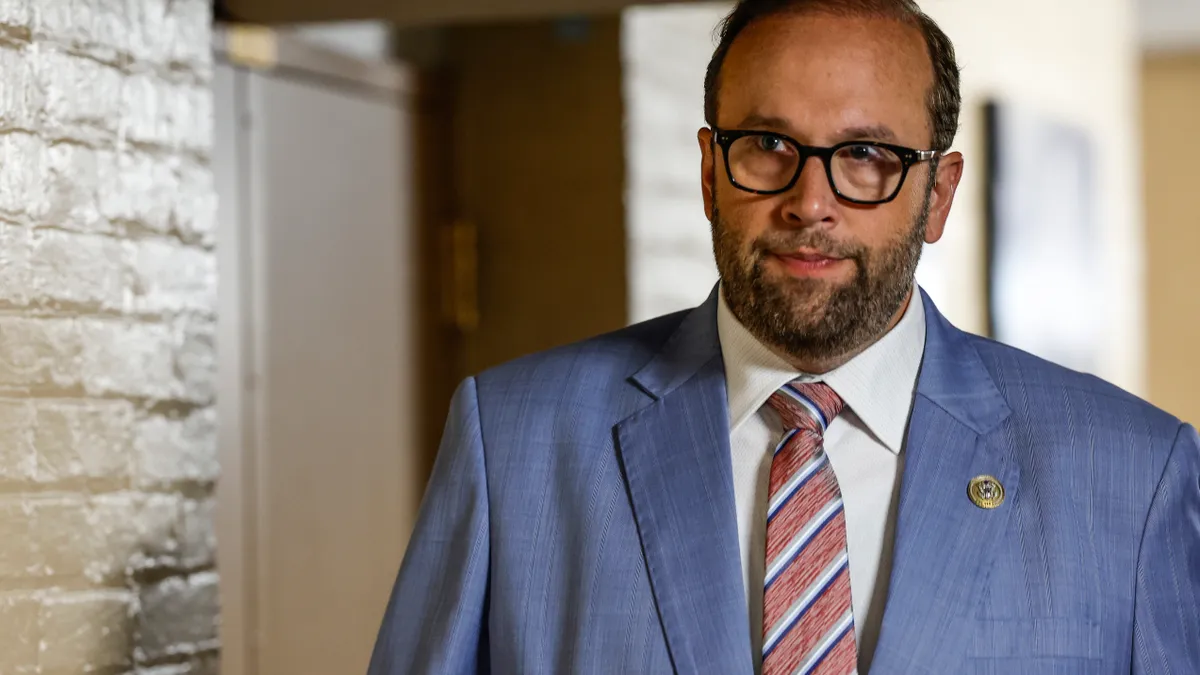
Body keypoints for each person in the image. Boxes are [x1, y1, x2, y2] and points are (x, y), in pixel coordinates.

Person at [368, 0, 1200, 672]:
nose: (811, 202)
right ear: (707, 171)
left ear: (937, 195)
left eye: (867, 154)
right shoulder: (512, 438)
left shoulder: (1133, 475)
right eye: (768, 146)